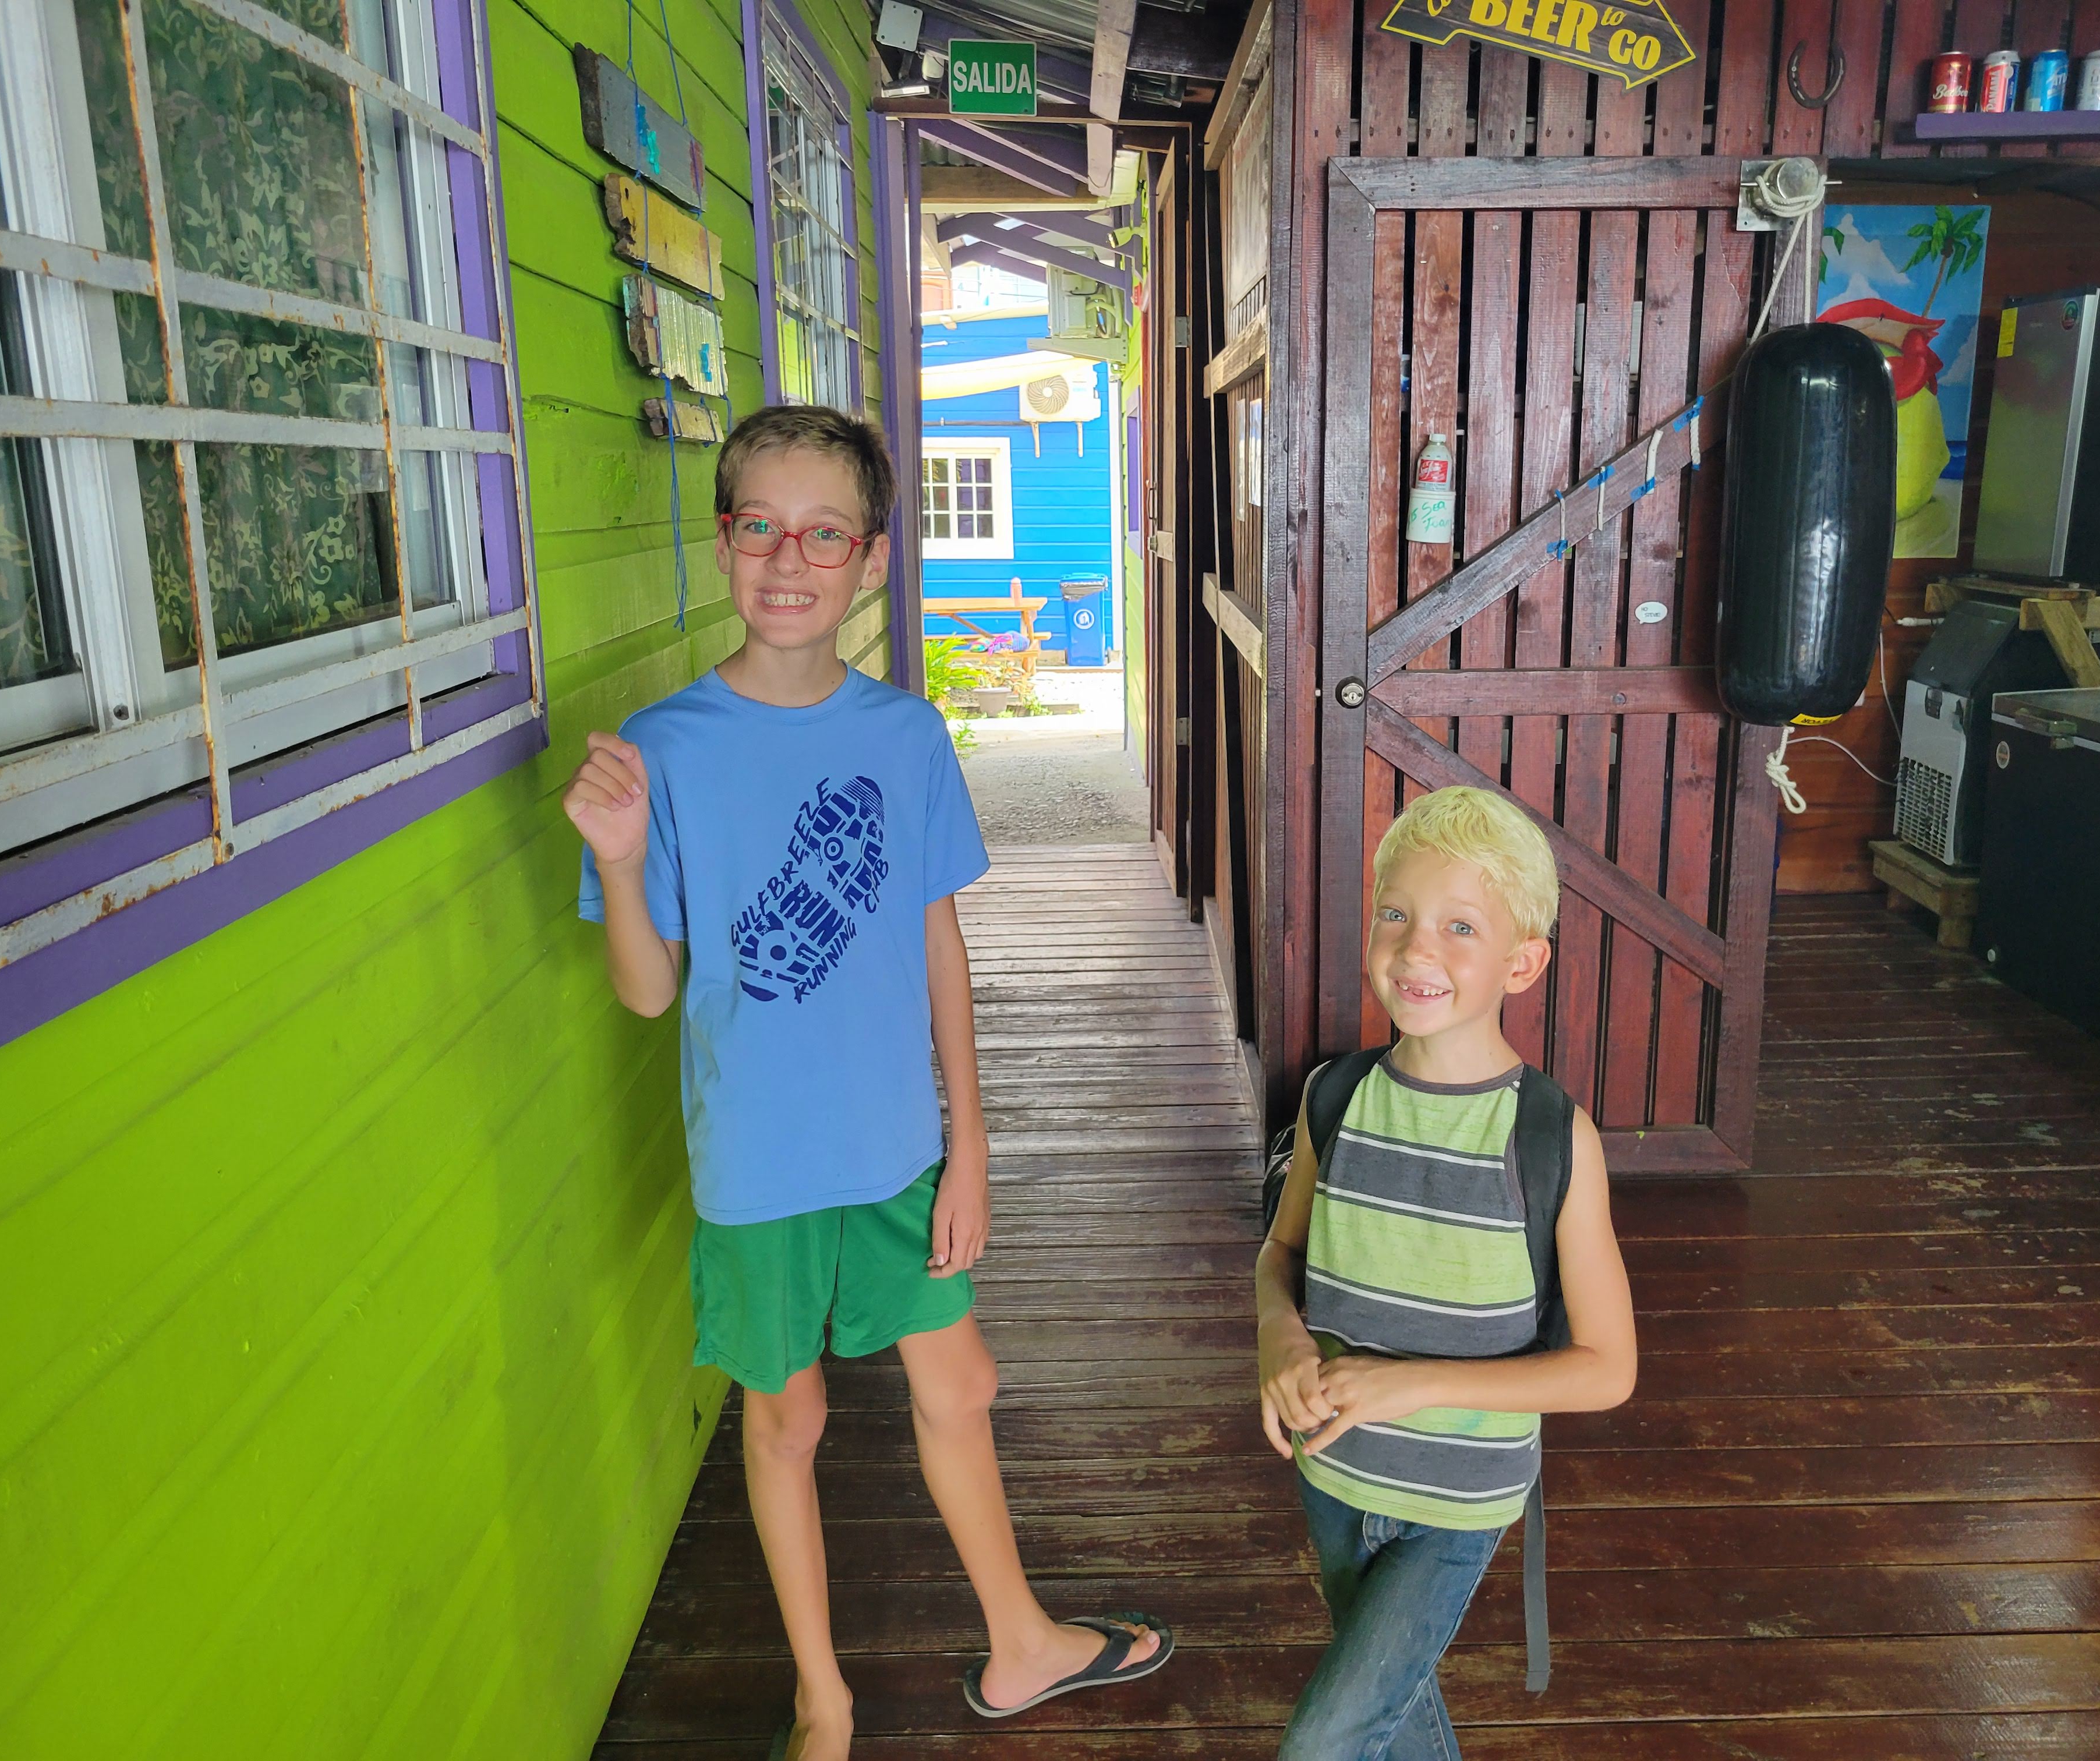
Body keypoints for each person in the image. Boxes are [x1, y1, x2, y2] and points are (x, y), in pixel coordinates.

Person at [564, 405, 1170, 1761]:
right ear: (721, 544)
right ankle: (820, 1697)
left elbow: (938, 940)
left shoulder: (905, 736)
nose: (791, 559)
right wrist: (614, 857)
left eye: (823, 533)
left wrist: (974, 1144)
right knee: (787, 1417)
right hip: (757, 1164)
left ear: (874, 557)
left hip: (899, 1145)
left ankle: (1021, 1645)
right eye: (760, 528)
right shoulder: (662, 750)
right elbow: (650, 991)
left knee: (960, 1386)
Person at [1254, 786, 1637, 1760]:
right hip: (1332, 1471)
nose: (1418, 950)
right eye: (1397, 916)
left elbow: (1606, 1367)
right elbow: (1281, 1256)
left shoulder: (1551, 1136)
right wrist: (1280, 1339)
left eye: (1460, 927)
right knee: (1390, 1713)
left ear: (1523, 961)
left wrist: (1409, 1383)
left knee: (1329, 1738)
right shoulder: (1333, 1099)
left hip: (1459, 1497)